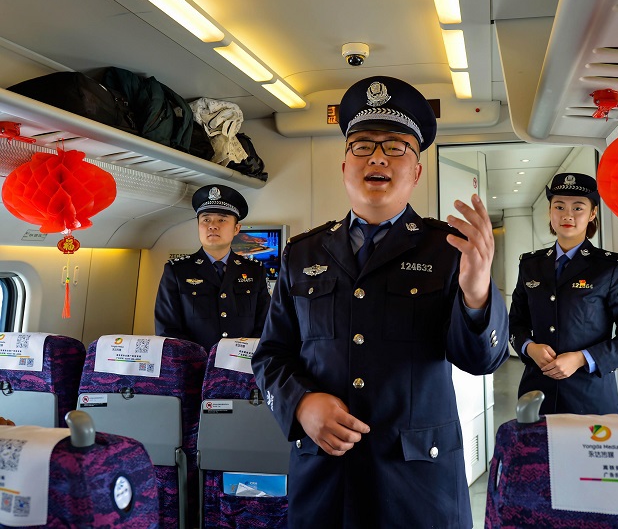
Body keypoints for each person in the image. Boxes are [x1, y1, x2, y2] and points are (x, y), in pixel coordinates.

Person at [251, 76, 509, 528]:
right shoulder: (302, 254)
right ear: (344, 166)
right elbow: (270, 356)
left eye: (395, 147)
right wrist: (301, 405)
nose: (377, 157)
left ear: (417, 172)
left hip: (417, 485)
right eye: (363, 145)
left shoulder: (448, 250)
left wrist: (477, 293)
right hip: (325, 478)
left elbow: (481, 360)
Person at [508, 173, 618, 415]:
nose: (567, 215)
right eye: (559, 206)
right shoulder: (530, 265)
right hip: (536, 394)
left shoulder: (611, 267)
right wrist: (529, 347)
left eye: (578, 207)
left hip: (589, 397)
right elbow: (515, 323)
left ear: (592, 213)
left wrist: (582, 358)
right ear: (550, 211)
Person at [155, 184, 270, 352]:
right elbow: (168, 330)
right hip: (194, 365)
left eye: (222, 220)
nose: (212, 225)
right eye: (206, 220)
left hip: (243, 364)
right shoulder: (177, 271)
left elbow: (265, 326)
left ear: (236, 229)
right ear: (198, 226)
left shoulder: (255, 271)